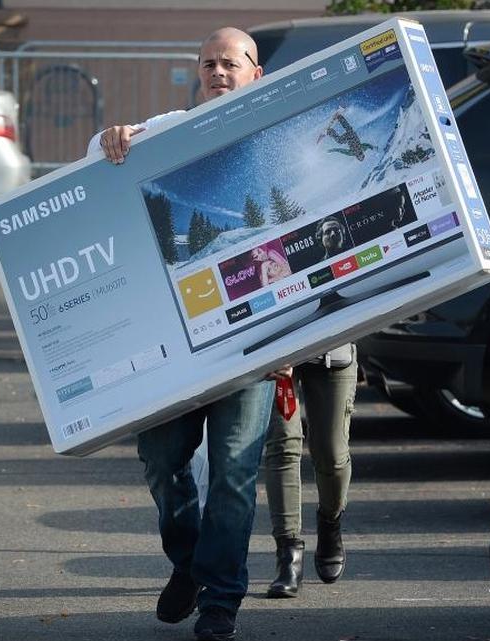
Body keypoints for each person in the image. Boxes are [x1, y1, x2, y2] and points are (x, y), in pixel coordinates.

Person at [90, 28, 275, 641]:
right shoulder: (171, 129)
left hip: (253, 343)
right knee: (162, 459)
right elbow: (99, 158)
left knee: (234, 471)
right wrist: (113, 137)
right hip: (173, 341)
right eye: (208, 63)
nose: (218, 72)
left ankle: (221, 598)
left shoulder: (274, 128)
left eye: (230, 63)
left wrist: (297, 344)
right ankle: (189, 563)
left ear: (255, 72)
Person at [262, 344, 357, 598]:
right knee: (283, 445)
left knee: (332, 454)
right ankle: (288, 554)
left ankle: (330, 521)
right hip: (277, 348)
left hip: (331, 347)